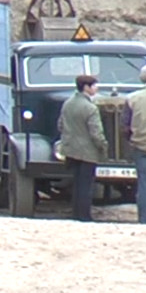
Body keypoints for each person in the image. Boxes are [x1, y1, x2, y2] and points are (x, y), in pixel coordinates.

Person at [56, 72, 105, 223]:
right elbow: (96, 132)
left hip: (71, 150)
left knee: (76, 183)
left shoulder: (68, 103)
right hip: (87, 152)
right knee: (86, 185)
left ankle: (76, 214)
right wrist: (103, 146)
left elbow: (60, 125)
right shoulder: (90, 108)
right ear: (86, 87)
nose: (96, 88)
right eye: (94, 86)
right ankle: (85, 215)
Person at [120, 65, 146, 225]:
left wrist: (131, 140)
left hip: (141, 145)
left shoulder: (132, 98)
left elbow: (125, 125)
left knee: (145, 184)